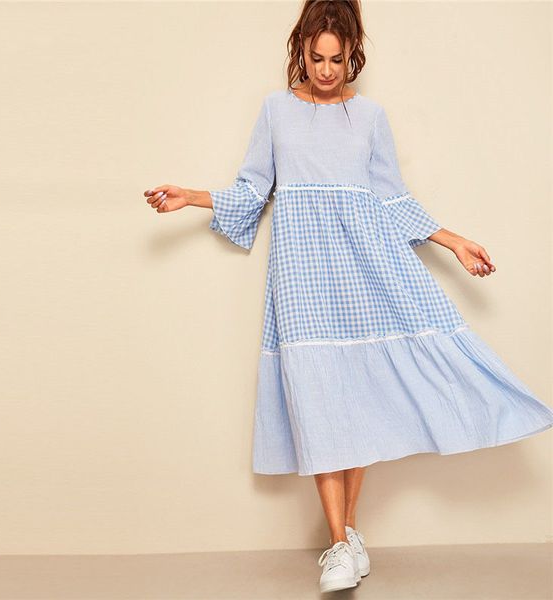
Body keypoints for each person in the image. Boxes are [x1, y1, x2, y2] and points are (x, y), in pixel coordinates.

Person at [144, 0, 553, 593]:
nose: (327, 70)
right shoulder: (276, 111)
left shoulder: (370, 117)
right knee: (318, 400)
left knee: (354, 401)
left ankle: (344, 539)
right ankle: (341, 542)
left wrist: (454, 241)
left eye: (337, 60)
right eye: (317, 58)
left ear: (352, 56)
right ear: (301, 53)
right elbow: (254, 189)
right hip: (302, 279)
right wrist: (192, 196)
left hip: (366, 271)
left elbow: (392, 199)